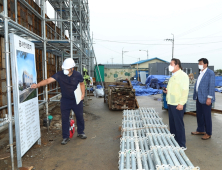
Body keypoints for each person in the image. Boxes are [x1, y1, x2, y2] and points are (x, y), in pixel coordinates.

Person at [31, 58, 87, 145]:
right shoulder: (60, 75)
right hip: (65, 100)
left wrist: (83, 94)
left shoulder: (78, 75)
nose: (65, 70)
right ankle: (65, 137)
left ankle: (80, 132)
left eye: (67, 69)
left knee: (79, 116)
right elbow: (48, 80)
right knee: (64, 118)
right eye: (64, 68)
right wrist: (37, 85)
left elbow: (82, 84)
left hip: (77, 99)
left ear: (72, 68)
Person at [163, 58, 189, 148]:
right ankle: (174, 142)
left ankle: (182, 145)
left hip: (178, 104)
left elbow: (185, 90)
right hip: (171, 103)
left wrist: (181, 103)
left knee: (179, 125)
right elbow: (174, 89)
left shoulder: (183, 76)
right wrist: (167, 91)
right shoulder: (173, 76)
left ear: (177, 65)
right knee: (173, 125)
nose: (169, 66)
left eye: (171, 64)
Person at [191, 58, 215, 140]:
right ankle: (200, 130)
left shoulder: (210, 73)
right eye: (199, 63)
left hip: (206, 99)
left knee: (206, 116)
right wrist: (196, 96)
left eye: (200, 63)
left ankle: (208, 133)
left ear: (206, 64)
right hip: (199, 97)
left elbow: (211, 86)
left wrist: (209, 98)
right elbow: (198, 85)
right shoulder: (200, 73)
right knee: (199, 115)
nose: (199, 65)